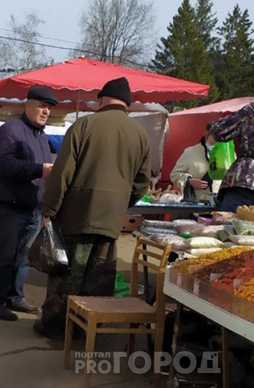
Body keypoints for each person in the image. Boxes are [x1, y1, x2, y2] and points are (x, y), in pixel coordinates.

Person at [35, 77, 151, 339]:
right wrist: (121, 204)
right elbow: (142, 183)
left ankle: (55, 327)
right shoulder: (140, 135)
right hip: (111, 220)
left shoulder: (85, 124)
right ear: (127, 104)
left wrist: (49, 210)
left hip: (76, 215)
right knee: (99, 278)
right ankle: (90, 332)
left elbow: (62, 173)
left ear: (101, 99)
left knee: (67, 275)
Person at [0, 87, 59, 321]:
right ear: (27, 105)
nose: (46, 111)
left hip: (34, 210)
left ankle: (15, 297)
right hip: (12, 207)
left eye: (49, 107)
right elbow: (5, 165)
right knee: (5, 257)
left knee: (23, 257)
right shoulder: (10, 131)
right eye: (41, 105)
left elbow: (45, 174)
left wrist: (46, 205)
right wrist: (39, 170)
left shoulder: (41, 136)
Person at [208, 101, 254, 212]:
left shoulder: (252, 109)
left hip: (249, 180)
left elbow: (219, 131)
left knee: (226, 225)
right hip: (249, 183)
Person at [170, 130, 220, 202]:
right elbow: (174, 175)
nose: (217, 140)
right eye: (215, 136)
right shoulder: (190, 152)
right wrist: (189, 181)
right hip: (196, 205)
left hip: (220, 206)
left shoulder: (228, 155)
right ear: (208, 134)